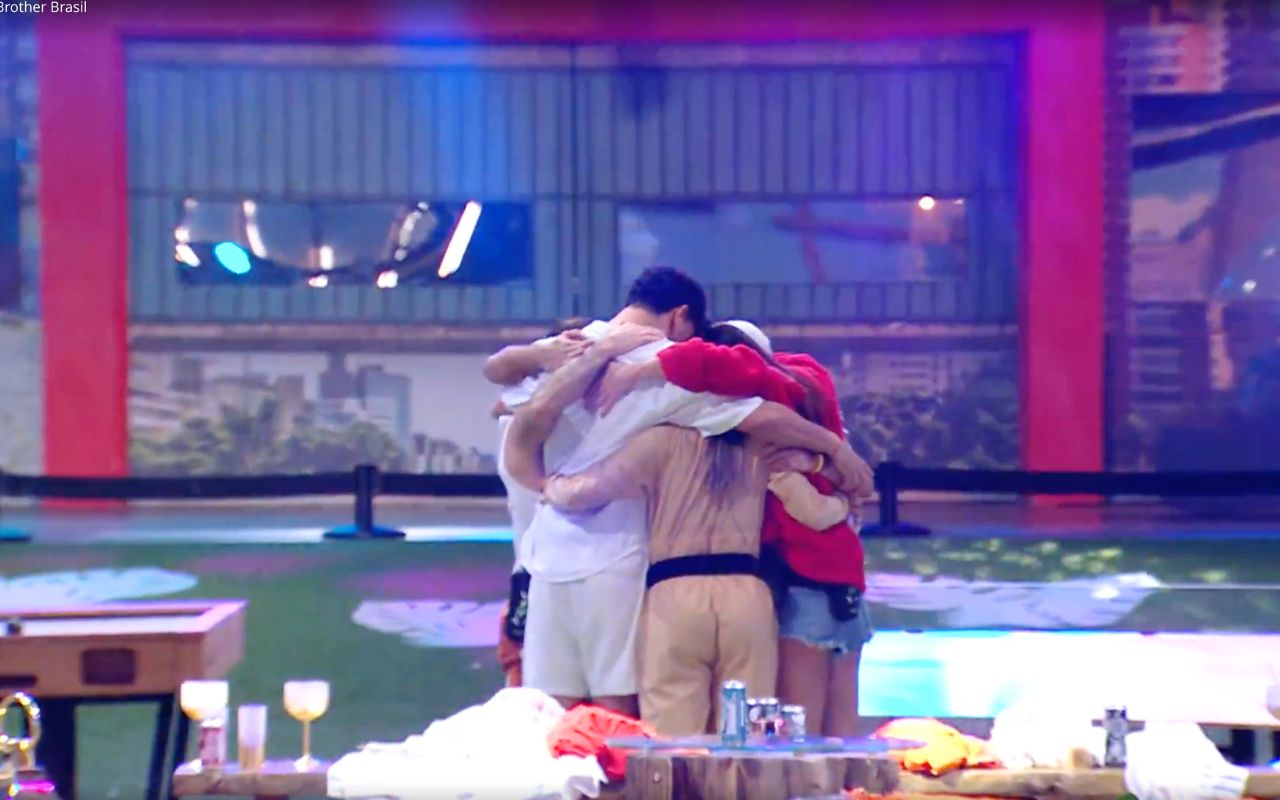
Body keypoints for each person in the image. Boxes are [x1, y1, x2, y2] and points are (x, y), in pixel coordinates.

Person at [487, 266, 874, 718]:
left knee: (556, 714)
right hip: (630, 566)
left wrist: (546, 484)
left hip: (550, 561)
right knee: (641, 720)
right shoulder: (669, 367)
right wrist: (834, 451)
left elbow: (503, 394)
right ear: (680, 317)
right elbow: (765, 415)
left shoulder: (568, 348)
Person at [507, 384, 845, 735]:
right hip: (747, 597)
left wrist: (547, 485)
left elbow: (588, 491)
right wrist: (845, 503)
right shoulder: (761, 447)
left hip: (675, 597)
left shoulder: (658, 442)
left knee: (671, 740)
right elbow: (816, 513)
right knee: (746, 735)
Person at [590, 319, 872, 736]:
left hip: (791, 588)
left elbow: (709, 363)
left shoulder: (756, 438)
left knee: (789, 737)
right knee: (823, 733)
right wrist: (837, 487)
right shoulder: (808, 385)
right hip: (838, 582)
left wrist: (634, 372)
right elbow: (856, 486)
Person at [491, 317, 591, 687]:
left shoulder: (515, 416)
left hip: (538, 573)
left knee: (532, 692)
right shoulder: (594, 421)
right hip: (551, 574)